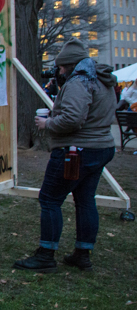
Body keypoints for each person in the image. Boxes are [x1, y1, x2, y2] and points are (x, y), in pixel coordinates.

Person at [14, 39, 116, 272]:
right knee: (85, 201)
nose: (59, 71)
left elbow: (73, 119)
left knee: (50, 199)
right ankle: (82, 253)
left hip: (76, 151)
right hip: (100, 148)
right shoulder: (103, 80)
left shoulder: (79, 82)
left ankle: (46, 255)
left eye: (61, 67)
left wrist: (48, 122)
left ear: (70, 65)